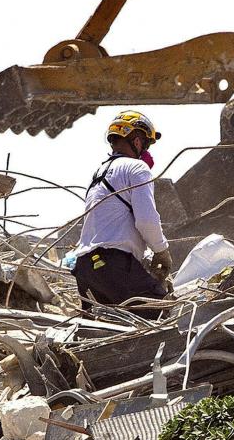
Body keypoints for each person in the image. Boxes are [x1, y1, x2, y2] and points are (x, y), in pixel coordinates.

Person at [71, 110, 172, 317]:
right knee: (160, 313)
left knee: (110, 331)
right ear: (137, 142)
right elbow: (146, 220)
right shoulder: (137, 168)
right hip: (111, 263)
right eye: (146, 145)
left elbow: (112, 227)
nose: (146, 151)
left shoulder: (99, 174)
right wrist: (161, 251)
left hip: (85, 268)